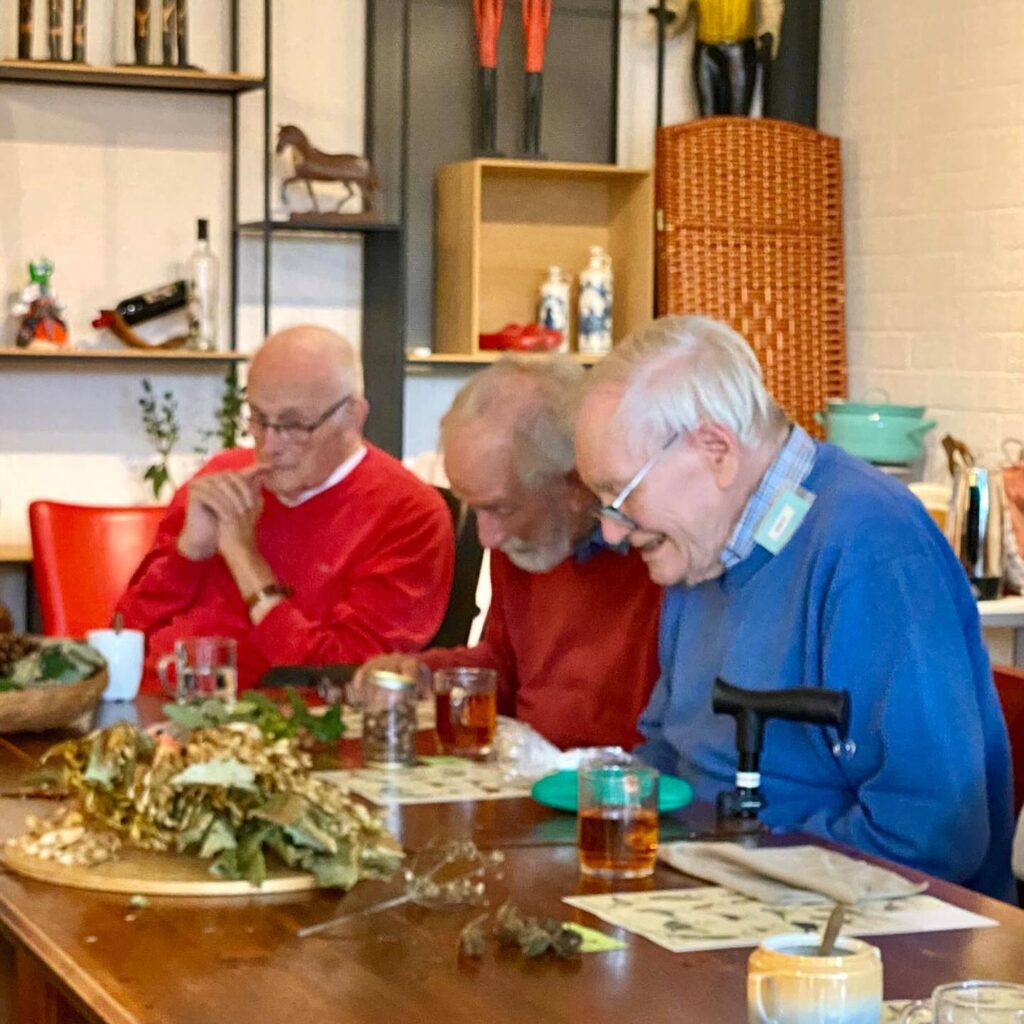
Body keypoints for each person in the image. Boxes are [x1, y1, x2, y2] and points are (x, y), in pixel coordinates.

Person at [574, 314, 1015, 901]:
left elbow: (931, 834)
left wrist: (738, 866)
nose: (610, 531)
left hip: (873, 926)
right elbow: (668, 754)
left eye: (620, 494)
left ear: (716, 451)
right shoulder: (699, 548)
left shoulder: (874, 547)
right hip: (712, 888)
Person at [117, 325, 454, 691]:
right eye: (258, 419)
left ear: (353, 416)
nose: (270, 446)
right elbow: (123, 635)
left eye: (294, 425)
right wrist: (188, 556)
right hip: (149, 702)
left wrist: (246, 561)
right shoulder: (221, 478)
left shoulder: (409, 514)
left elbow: (349, 677)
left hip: (273, 715)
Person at [361, 355, 662, 750]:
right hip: (529, 769)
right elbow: (506, 666)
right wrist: (425, 672)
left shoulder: (661, 552)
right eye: (473, 508)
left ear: (576, 485)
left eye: (500, 509)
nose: (486, 538)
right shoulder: (525, 541)